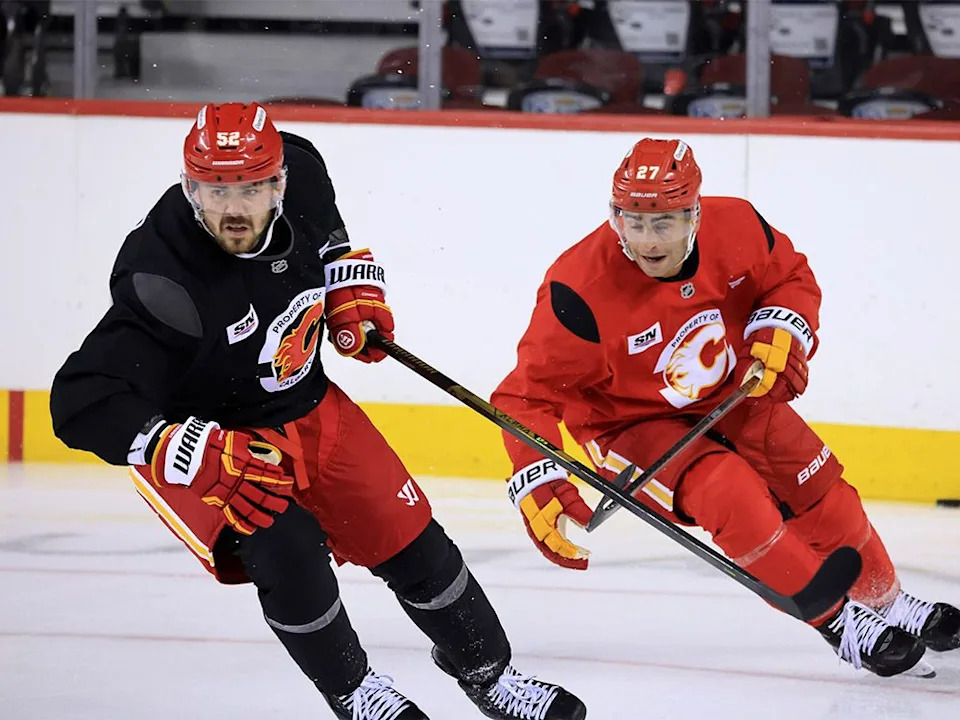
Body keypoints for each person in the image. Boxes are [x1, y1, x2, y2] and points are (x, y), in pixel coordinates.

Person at [50, 102, 586, 720]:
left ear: (279, 181)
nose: (234, 209)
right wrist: (173, 445)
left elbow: (317, 196)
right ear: (188, 187)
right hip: (222, 447)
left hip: (313, 408)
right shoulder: (162, 276)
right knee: (290, 549)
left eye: (252, 187)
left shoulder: (299, 172)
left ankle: (491, 677)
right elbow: (80, 399)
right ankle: (355, 692)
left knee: (412, 542)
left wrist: (341, 273)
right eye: (214, 189)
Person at [491, 138, 960, 678]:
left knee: (819, 489)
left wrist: (781, 326)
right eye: (632, 222)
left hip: (734, 391)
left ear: (695, 212)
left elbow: (791, 277)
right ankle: (839, 622)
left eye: (663, 222)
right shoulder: (579, 291)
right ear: (614, 215)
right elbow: (524, 397)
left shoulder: (737, 227)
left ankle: (888, 602)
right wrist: (534, 469)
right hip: (627, 426)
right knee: (730, 492)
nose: (646, 241)